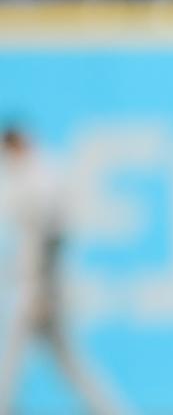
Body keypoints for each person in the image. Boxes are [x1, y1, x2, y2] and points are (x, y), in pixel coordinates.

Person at [0, 126, 128, 415]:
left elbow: (54, 236)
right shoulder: (23, 176)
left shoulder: (42, 178)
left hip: (39, 287)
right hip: (31, 285)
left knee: (14, 358)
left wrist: (44, 288)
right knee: (60, 361)